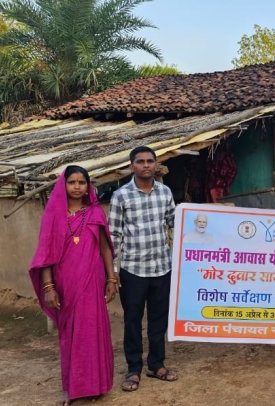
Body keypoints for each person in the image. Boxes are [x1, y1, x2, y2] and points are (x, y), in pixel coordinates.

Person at [29, 165, 115, 405]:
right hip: (65, 284)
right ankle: (73, 388)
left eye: (81, 182)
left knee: (93, 332)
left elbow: (105, 247)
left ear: (88, 186)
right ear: (63, 185)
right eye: (72, 182)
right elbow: (45, 255)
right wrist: (48, 288)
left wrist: (111, 278)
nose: (77, 187)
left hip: (92, 281)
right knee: (71, 335)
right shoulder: (53, 215)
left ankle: (96, 385)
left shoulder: (95, 213)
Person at [109, 146, 178, 392]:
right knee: (132, 321)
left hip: (162, 267)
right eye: (140, 161)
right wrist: (113, 271)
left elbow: (174, 222)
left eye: (150, 161)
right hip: (133, 270)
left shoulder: (165, 192)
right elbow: (114, 235)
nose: (146, 165)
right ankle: (133, 369)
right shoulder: (121, 196)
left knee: (159, 320)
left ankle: (156, 364)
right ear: (132, 166)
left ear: (156, 165)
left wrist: (201, 221)